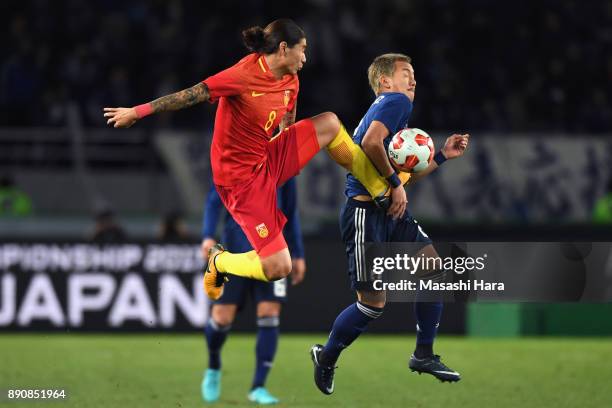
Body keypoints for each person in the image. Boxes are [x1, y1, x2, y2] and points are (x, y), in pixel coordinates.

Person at [103, 18, 396, 301]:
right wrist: (137, 112)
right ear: (283, 48)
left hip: (267, 157)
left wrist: (287, 143)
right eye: (303, 49)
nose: (306, 57)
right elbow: (191, 94)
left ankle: (378, 188)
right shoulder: (242, 76)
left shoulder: (291, 78)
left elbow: (287, 117)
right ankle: (220, 262)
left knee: (330, 122)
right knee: (279, 267)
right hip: (240, 181)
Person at [309, 53, 470, 395]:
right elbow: (370, 145)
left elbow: (401, 172)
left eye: (414, 75)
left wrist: (440, 155)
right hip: (366, 213)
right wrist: (395, 186)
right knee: (372, 303)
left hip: (387, 210)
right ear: (385, 82)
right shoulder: (395, 102)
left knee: (434, 270)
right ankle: (326, 355)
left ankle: (423, 355)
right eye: (405, 74)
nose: (413, 81)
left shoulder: (388, 110)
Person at [200, 177, 305, 405]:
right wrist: (208, 235)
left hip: (274, 251)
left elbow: (290, 209)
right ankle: (213, 365)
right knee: (221, 316)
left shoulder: (282, 158)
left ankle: (258, 386)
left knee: (269, 313)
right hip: (235, 250)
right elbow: (213, 200)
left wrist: (298, 253)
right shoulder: (237, 157)